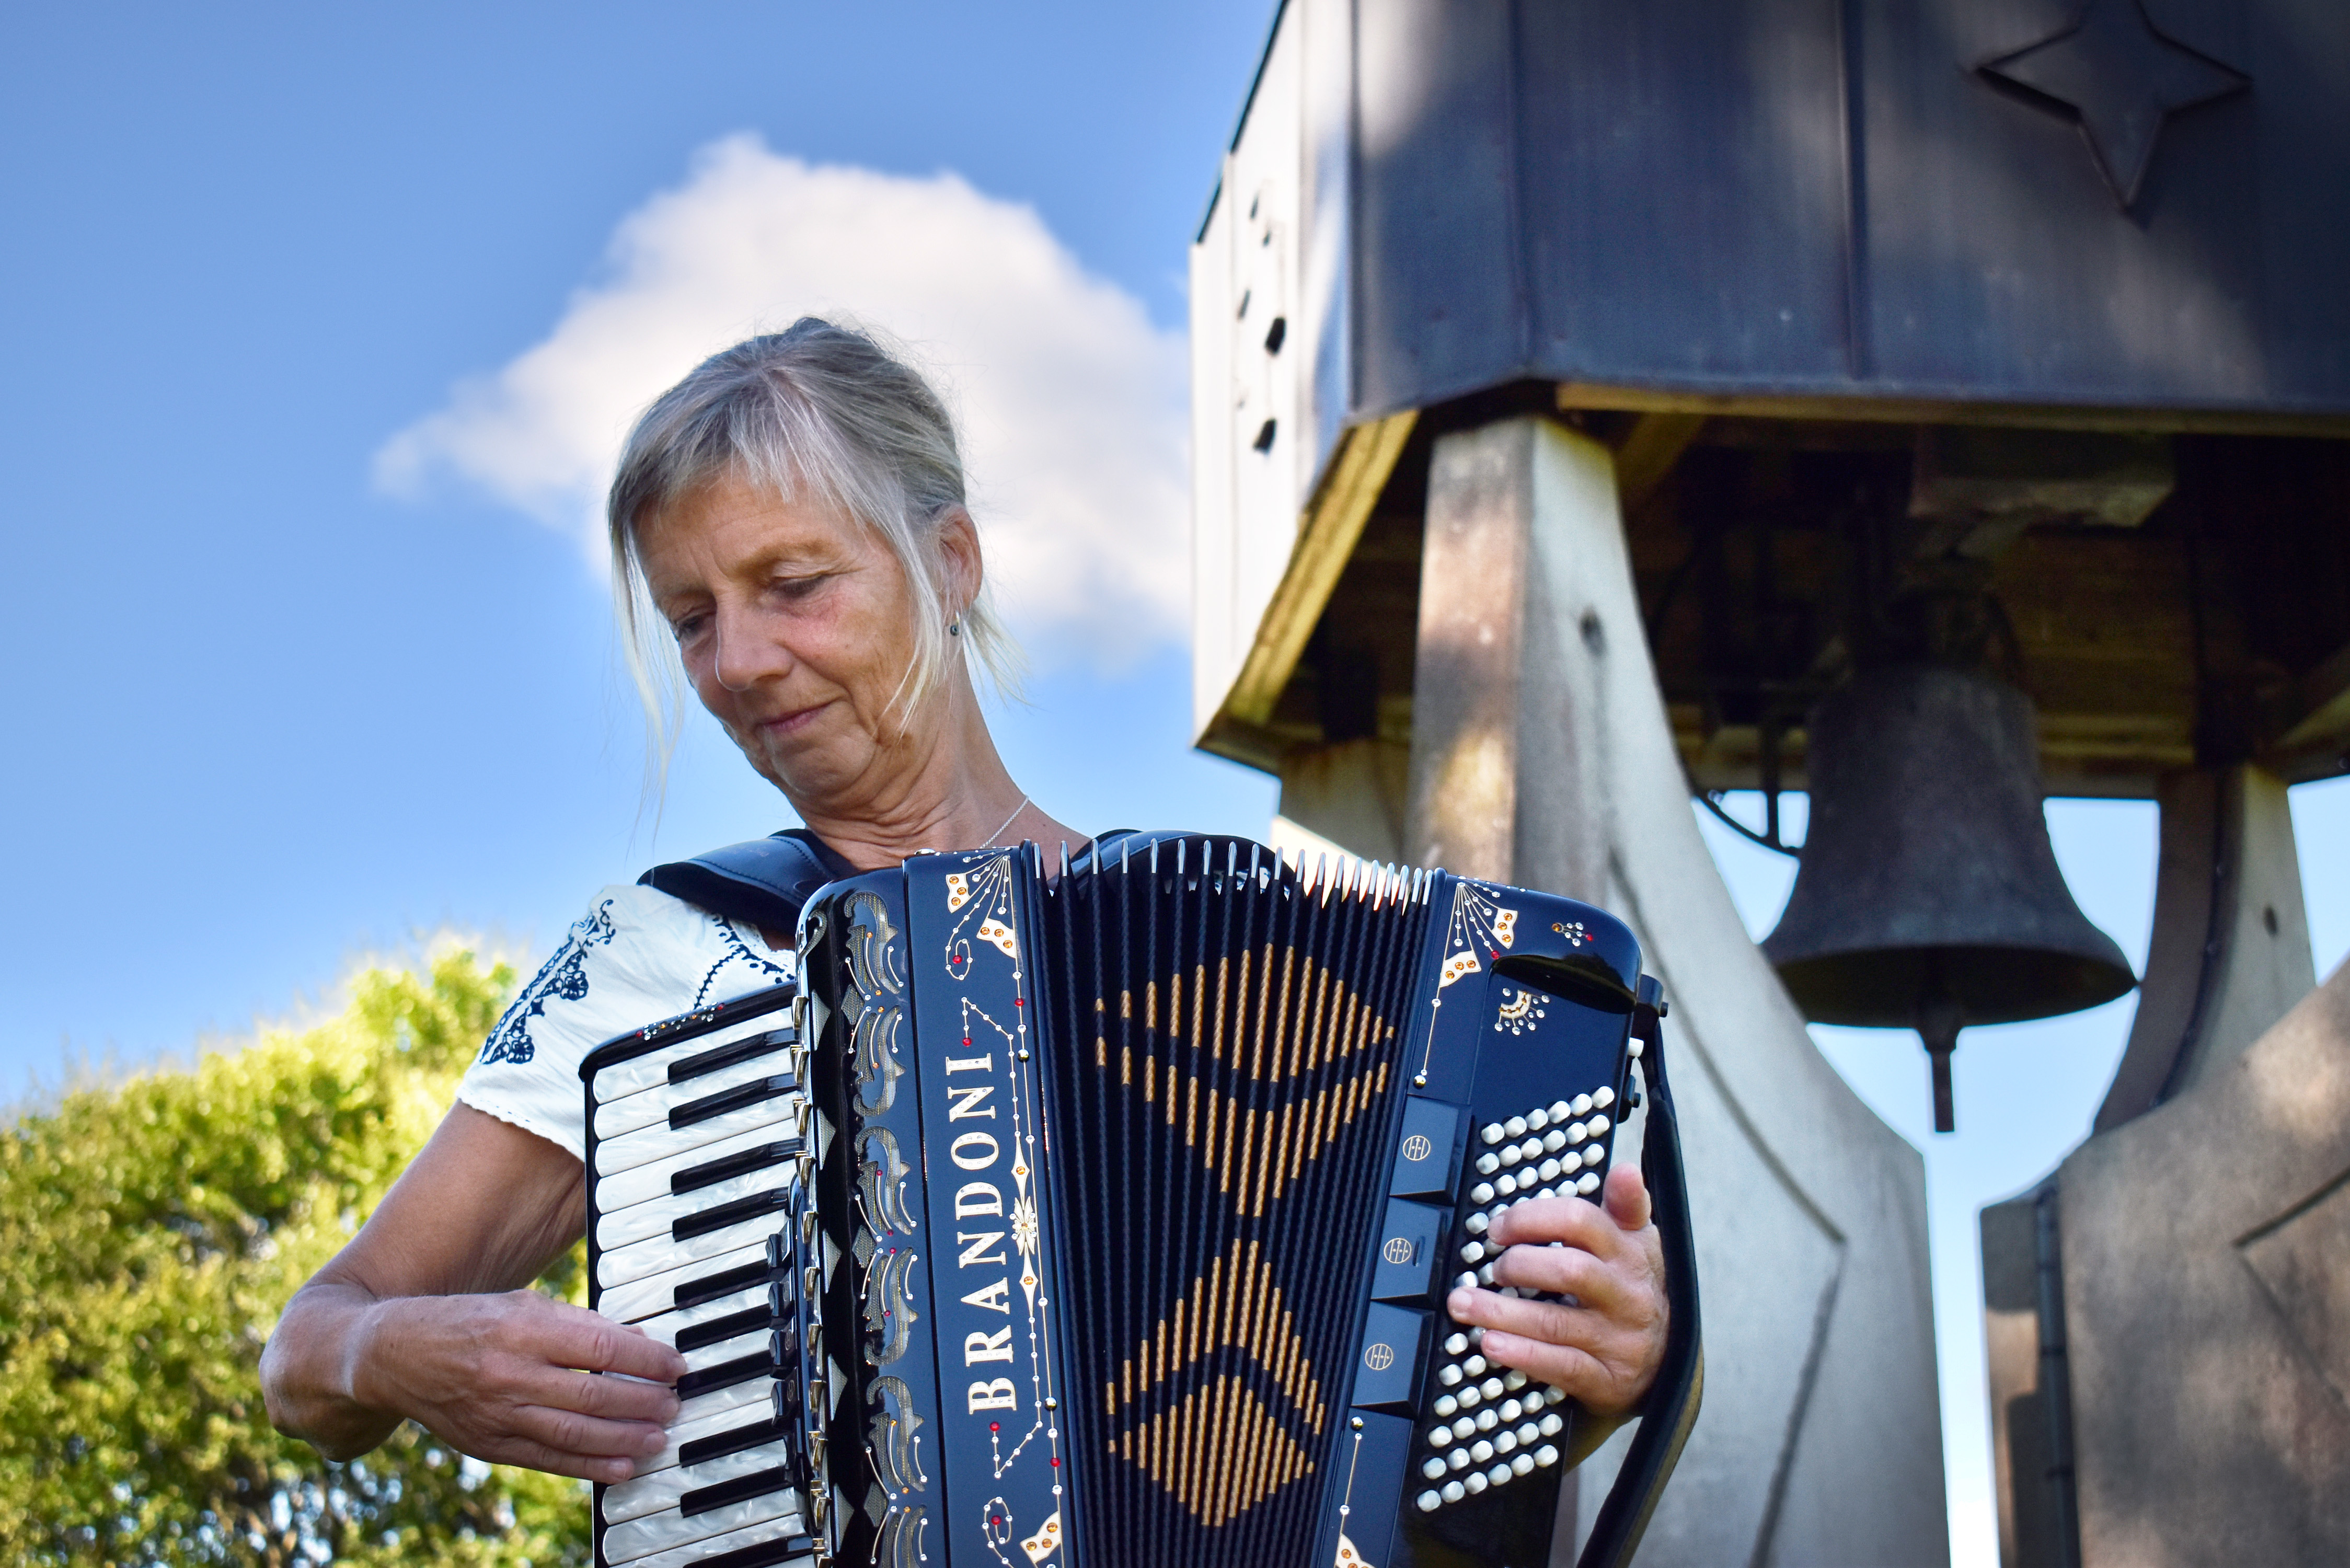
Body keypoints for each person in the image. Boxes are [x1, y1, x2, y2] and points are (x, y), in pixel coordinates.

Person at [259, 319, 1668, 1497]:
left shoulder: (1238, 936)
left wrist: (1601, 1361)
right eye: (693, 617)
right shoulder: (656, 961)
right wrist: (383, 1358)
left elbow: (1437, 1420)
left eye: (793, 586)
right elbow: (309, 1345)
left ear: (951, 564)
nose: (740, 661)